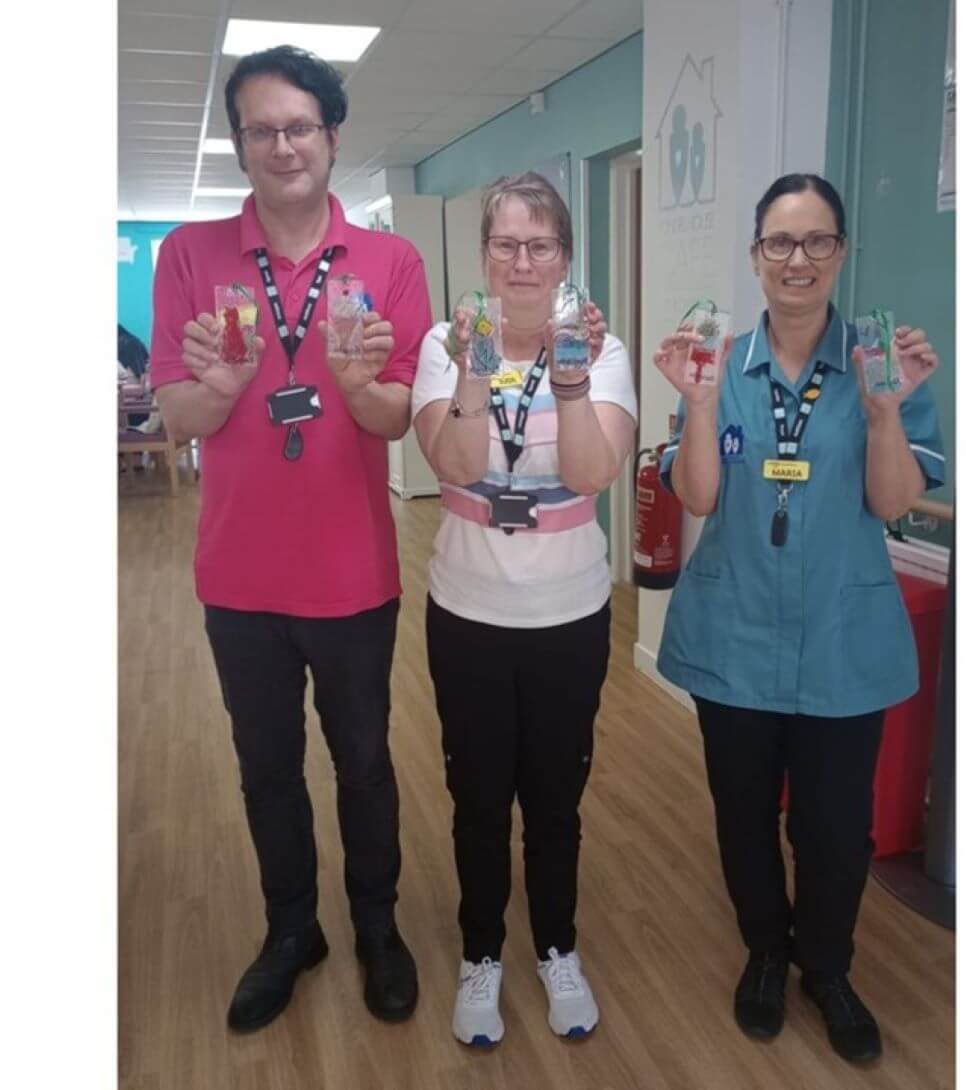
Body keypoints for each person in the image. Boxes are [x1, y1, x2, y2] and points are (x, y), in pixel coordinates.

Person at [148, 45, 430, 1031]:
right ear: (240, 143)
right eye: (260, 129)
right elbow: (178, 417)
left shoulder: (392, 261)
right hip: (239, 574)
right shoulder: (189, 256)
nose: (282, 145)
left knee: (364, 763)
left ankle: (378, 929)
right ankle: (289, 929)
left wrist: (360, 385)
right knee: (265, 765)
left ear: (332, 137)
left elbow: (400, 421)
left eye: (299, 126)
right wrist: (218, 387)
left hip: (354, 569)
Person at [653, 173, 946, 1063]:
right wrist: (699, 408)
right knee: (743, 814)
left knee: (833, 826)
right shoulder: (716, 363)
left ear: (841, 254)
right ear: (754, 257)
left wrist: (888, 412)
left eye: (818, 241)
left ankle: (827, 966)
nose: (798, 259)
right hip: (734, 631)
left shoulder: (881, 368)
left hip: (840, 641)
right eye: (780, 242)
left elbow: (893, 498)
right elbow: (697, 495)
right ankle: (765, 956)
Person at [409, 173, 636, 1048]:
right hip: (466, 610)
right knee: (475, 796)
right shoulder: (445, 342)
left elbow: (589, 475)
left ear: (566, 257)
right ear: (483, 257)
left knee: (554, 797)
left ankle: (555, 948)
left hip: (569, 613)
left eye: (540, 245)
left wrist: (571, 384)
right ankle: (480, 956)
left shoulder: (600, 350)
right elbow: (455, 462)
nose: (522, 261)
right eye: (505, 244)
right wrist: (473, 366)